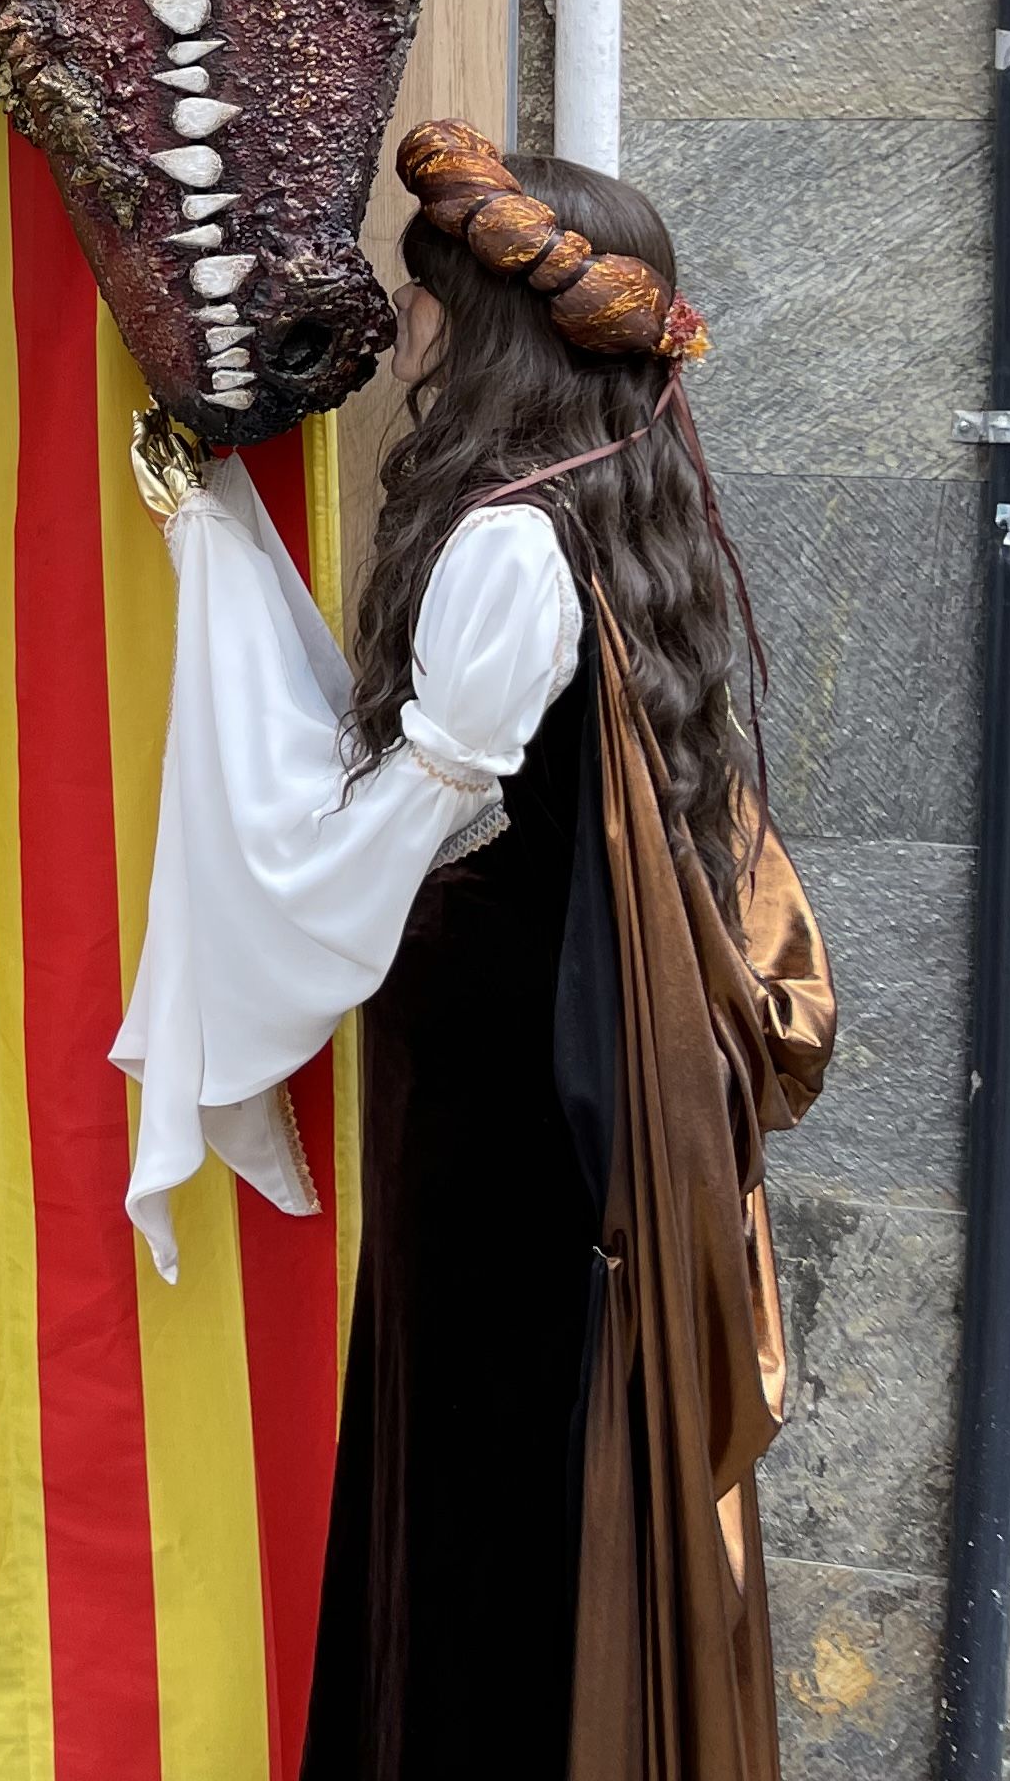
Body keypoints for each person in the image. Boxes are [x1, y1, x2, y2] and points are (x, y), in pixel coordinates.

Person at [112, 122, 835, 1781]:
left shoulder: (509, 547)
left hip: (512, 1124)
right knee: (529, 1476)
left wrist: (212, 559)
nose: (412, 338)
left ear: (488, 333)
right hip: (565, 1104)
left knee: (487, 1485)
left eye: (430, 307)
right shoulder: (612, 521)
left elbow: (358, 860)